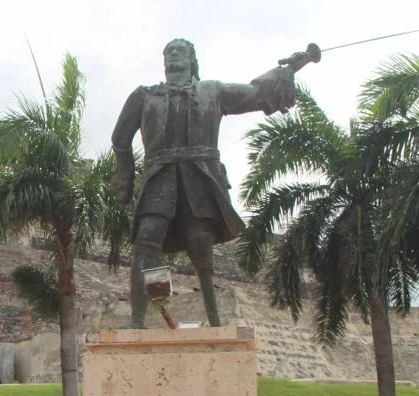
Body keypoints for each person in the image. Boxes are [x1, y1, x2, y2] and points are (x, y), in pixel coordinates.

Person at [112, 38, 303, 328]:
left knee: (201, 244)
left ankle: (215, 321)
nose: (174, 55)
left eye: (181, 51)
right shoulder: (144, 96)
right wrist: (124, 173)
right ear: (164, 62)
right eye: (169, 52)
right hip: (159, 176)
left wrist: (287, 70)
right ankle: (136, 323)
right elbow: (119, 139)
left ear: (191, 60)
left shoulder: (212, 91)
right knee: (145, 240)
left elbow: (253, 93)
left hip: (199, 175)